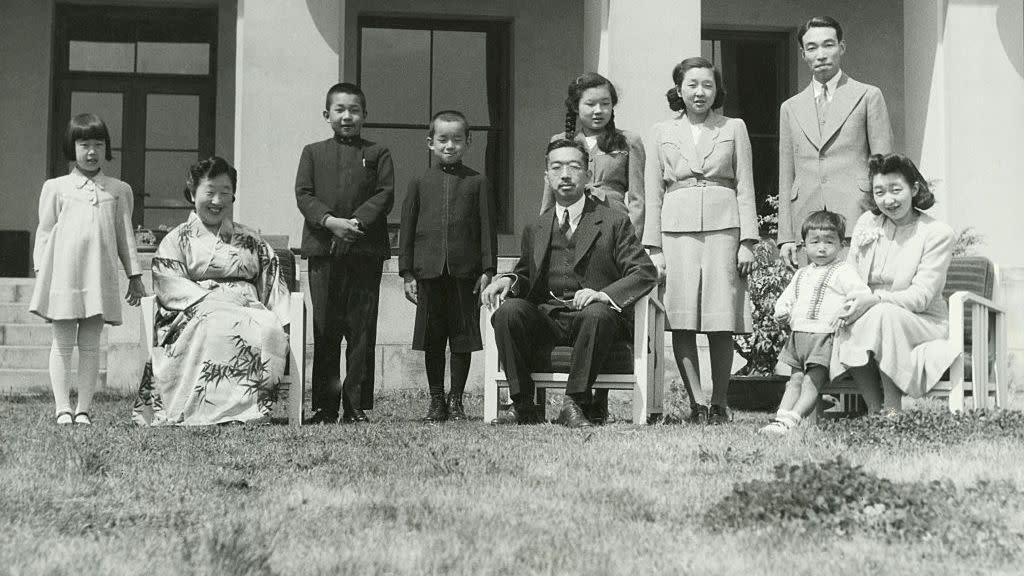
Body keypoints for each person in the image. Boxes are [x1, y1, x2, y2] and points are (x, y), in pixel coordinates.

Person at [482, 139, 657, 428]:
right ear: (547, 176)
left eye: (574, 167)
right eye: (557, 167)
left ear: (588, 175)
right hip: (549, 317)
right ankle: (523, 404)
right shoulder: (536, 226)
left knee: (598, 313)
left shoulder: (613, 222)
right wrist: (508, 281)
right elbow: (526, 275)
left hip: (594, 321)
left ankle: (574, 403)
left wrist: (603, 294)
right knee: (508, 312)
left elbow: (644, 272)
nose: (565, 174)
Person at [132, 157, 290, 426]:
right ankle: (212, 411)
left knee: (269, 330)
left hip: (246, 307)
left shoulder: (251, 240)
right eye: (210, 192)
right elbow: (169, 282)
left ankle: (247, 411)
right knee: (215, 325)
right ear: (193, 193)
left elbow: (272, 279)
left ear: (233, 196)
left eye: (225, 193)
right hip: (196, 309)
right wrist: (211, 299)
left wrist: (284, 320)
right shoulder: (176, 239)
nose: (217, 201)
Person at [643, 57, 758, 425]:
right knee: (683, 318)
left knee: (722, 317)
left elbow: (746, 184)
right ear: (679, 90)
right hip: (675, 231)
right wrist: (654, 247)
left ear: (716, 90)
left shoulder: (733, 127)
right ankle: (697, 404)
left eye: (707, 85)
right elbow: (652, 192)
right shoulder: (661, 131)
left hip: (725, 229)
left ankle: (720, 402)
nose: (699, 92)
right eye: (692, 85)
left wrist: (748, 240)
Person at [538, 72, 646, 423]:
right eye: (590, 104)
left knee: (602, 311)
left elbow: (638, 198)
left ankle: (597, 398)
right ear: (575, 107)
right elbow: (548, 198)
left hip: (611, 233)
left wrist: (635, 240)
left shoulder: (628, 141)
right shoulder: (562, 142)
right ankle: (570, 399)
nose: (598, 110)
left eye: (605, 103)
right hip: (570, 229)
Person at [30, 113, 145, 426]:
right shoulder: (56, 188)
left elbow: (125, 236)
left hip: (99, 277)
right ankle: (62, 407)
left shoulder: (119, 190)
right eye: (84, 144)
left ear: (106, 147)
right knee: (63, 343)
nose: (92, 151)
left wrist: (134, 275)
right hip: (64, 276)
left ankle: (82, 408)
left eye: (98, 144)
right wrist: (42, 270)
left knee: (91, 345)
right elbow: (45, 231)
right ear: (73, 147)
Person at [295, 82, 395, 424]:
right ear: (327, 115)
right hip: (324, 251)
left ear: (364, 115)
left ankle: (355, 405)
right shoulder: (312, 152)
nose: (347, 116)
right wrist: (330, 222)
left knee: (361, 328)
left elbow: (384, 194)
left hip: (365, 250)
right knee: (325, 328)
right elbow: (304, 195)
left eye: (354, 110)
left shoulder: (378, 153)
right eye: (340, 110)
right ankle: (325, 405)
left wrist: (354, 223)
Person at [831, 153, 958, 414]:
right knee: (848, 317)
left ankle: (892, 408)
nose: (888, 199)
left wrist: (873, 300)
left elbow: (921, 296)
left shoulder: (936, 233)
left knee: (882, 314)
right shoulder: (868, 222)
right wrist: (855, 301)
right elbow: (850, 272)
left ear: (914, 189)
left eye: (896, 190)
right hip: (868, 309)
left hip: (922, 320)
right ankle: (874, 410)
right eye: (880, 192)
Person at [400, 110, 497, 422]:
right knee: (432, 338)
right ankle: (436, 400)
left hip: (464, 273)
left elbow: (486, 228)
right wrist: (407, 272)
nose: (449, 145)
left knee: (462, 337)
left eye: (457, 139)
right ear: (430, 142)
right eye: (442, 139)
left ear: (468, 142)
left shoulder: (477, 182)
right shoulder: (418, 182)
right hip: (428, 272)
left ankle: (456, 400)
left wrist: (487, 270)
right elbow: (408, 228)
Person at [777, 16, 893, 269]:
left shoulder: (867, 96)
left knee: (855, 296)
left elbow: (884, 167)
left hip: (857, 218)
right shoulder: (790, 108)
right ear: (803, 54)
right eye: (812, 48)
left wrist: (884, 220)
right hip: (807, 225)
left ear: (841, 47)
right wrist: (785, 236)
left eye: (828, 45)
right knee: (812, 301)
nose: (821, 54)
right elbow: (786, 175)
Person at [759, 210, 868, 435]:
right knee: (795, 380)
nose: (821, 248)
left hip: (823, 337)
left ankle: (793, 420)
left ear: (841, 245)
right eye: (815, 242)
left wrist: (844, 310)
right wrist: (782, 311)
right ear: (804, 245)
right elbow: (787, 298)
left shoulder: (843, 271)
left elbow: (860, 294)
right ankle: (780, 419)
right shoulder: (802, 274)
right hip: (798, 336)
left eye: (829, 242)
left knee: (812, 382)